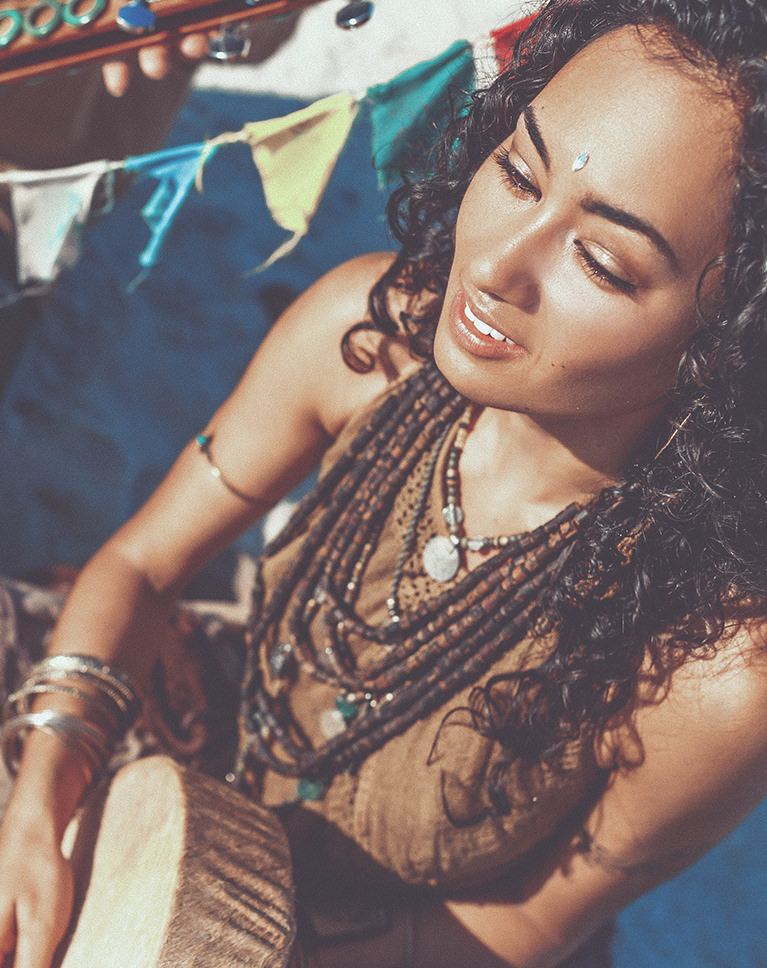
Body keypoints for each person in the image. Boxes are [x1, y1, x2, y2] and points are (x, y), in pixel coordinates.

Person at [1, 0, 767, 965]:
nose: (493, 266)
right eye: (518, 173)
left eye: (602, 262)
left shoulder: (716, 666)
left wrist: (222, 945)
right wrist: (41, 804)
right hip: (225, 739)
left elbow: (528, 924)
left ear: (731, 344)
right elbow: (144, 565)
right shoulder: (370, 340)